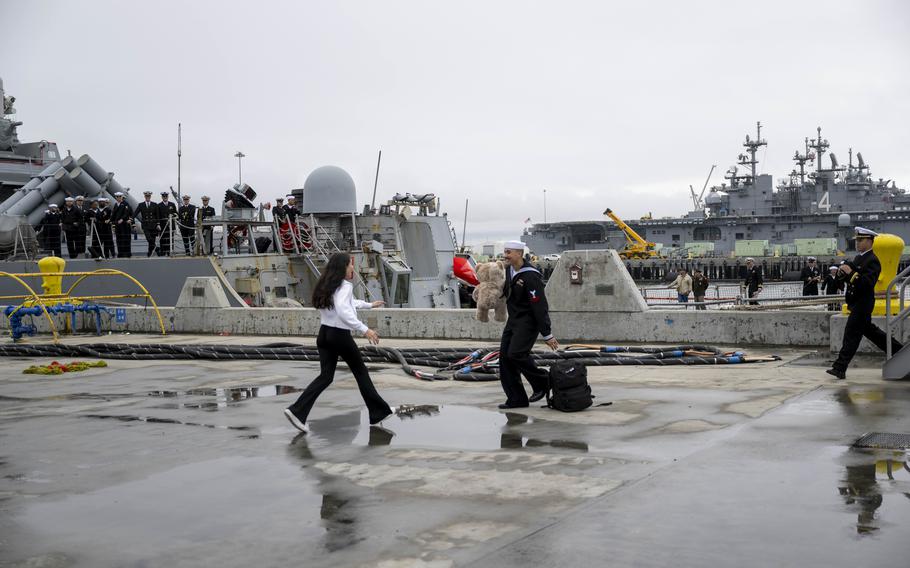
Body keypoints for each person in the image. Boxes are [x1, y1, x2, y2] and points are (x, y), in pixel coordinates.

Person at [284, 253, 393, 433]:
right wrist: (365, 329)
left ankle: (297, 411)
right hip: (339, 335)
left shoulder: (327, 285)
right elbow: (343, 310)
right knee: (361, 372)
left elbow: (345, 303)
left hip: (324, 334)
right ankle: (378, 413)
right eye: (350, 265)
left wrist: (368, 305)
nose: (353, 269)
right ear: (343, 267)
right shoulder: (345, 286)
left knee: (325, 377)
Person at [827, 227, 903, 379]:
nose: (857, 243)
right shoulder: (858, 258)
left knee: (851, 334)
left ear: (869, 241)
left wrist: (851, 273)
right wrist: (843, 274)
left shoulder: (873, 260)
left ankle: (840, 368)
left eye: (861, 240)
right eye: (857, 240)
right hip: (857, 303)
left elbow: (867, 284)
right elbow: (852, 280)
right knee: (872, 333)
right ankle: (899, 350)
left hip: (863, 303)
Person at [498, 240, 559, 409]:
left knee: (516, 354)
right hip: (513, 321)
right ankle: (516, 399)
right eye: (505, 252)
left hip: (528, 322)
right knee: (505, 358)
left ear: (519, 253)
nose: (505, 255)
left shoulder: (531, 276)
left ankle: (543, 381)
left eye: (509, 252)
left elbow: (540, 306)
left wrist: (547, 333)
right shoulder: (509, 270)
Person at [134, 190, 160, 257]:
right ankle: (157, 249)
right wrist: (131, 218)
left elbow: (157, 215)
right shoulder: (141, 205)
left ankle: (149, 253)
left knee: (152, 240)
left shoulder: (155, 204)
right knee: (149, 239)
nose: (147, 197)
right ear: (144, 196)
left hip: (153, 225)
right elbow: (136, 212)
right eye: (146, 196)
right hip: (145, 226)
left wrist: (158, 224)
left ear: (150, 196)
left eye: (148, 196)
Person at [111, 191, 133, 257]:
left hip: (124, 225)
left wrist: (122, 219)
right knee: (119, 239)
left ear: (122, 197)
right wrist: (110, 220)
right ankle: (120, 253)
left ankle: (127, 253)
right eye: (117, 197)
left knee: (126, 239)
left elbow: (127, 213)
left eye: (119, 197)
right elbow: (113, 214)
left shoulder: (125, 204)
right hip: (118, 225)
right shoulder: (115, 205)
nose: (118, 198)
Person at [157, 191, 177, 256]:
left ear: (167, 197)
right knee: (162, 239)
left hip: (170, 225)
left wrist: (172, 215)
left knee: (170, 239)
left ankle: (170, 252)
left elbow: (176, 213)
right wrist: (158, 224)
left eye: (166, 196)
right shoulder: (159, 205)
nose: (165, 197)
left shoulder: (172, 204)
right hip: (162, 226)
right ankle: (163, 252)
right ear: (162, 197)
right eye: (164, 196)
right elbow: (157, 216)